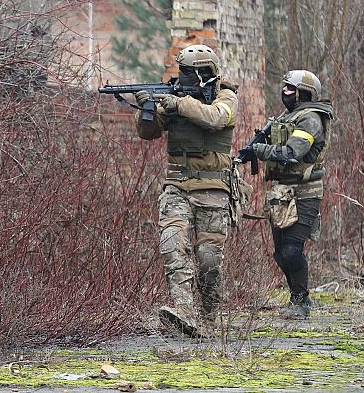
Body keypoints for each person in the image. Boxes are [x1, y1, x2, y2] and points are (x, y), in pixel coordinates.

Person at [134, 44, 239, 337]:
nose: (184, 80)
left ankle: (207, 321)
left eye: (190, 74)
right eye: (182, 73)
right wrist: (147, 109)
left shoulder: (226, 98)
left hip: (213, 189)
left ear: (207, 74)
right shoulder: (175, 97)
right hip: (177, 186)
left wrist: (177, 103)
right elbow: (148, 133)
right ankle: (184, 310)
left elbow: (215, 118)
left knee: (208, 259)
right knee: (171, 243)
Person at [244, 70, 333, 319]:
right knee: (281, 253)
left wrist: (260, 149)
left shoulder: (311, 119)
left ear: (304, 93)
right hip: (282, 192)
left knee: (292, 250)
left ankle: (300, 301)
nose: (285, 92)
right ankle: (298, 298)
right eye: (284, 87)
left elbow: (293, 151)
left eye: (290, 89)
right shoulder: (287, 116)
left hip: (305, 191)